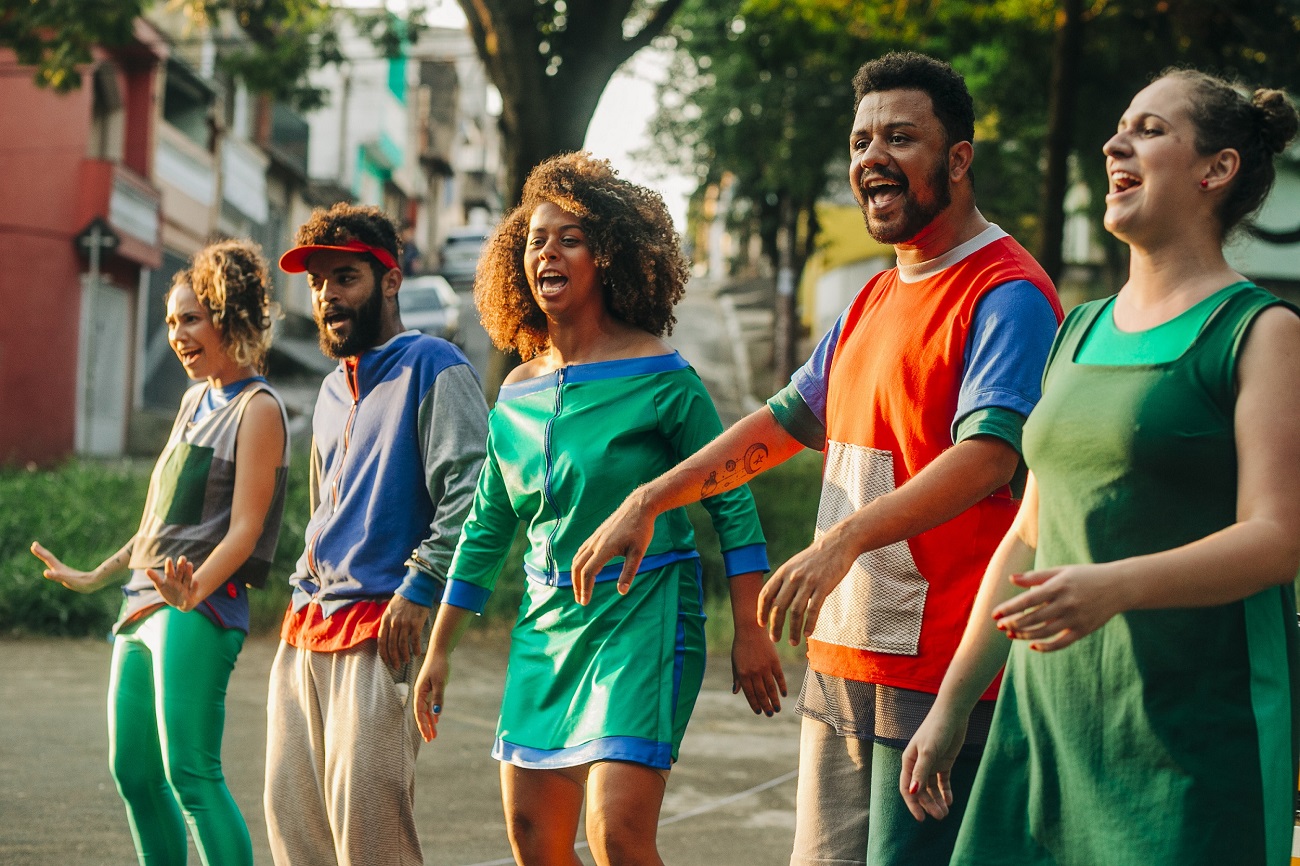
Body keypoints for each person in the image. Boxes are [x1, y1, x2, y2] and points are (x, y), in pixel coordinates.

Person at [573, 52, 1063, 865]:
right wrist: (650, 499)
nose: (872, 157)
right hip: (843, 661)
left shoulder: (1006, 292)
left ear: (959, 159)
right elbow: (780, 425)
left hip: (944, 675)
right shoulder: (874, 296)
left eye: (900, 138)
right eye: (862, 140)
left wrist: (842, 540)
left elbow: (986, 458)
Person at [900, 70, 1300, 866]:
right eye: (1119, 127)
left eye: (1150, 130)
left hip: (1191, 748)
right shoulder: (1076, 329)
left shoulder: (1261, 332)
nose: (1117, 143)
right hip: (1045, 730)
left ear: (1214, 169)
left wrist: (1113, 584)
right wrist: (950, 705)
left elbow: (1279, 538)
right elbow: (1027, 536)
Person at [412, 151, 786, 866]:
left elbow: (732, 504)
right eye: (534, 240)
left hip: (643, 617)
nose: (547, 251)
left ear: (609, 256)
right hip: (544, 626)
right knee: (534, 840)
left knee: (616, 835)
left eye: (569, 238)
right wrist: (439, 652)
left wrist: (749, 626)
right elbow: (486, 530)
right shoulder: (516, 392)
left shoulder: (664, 377)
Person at [31, 239, 290, 866]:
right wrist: (97, 575)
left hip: (197, 607)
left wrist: (194, 589)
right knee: (135, 775)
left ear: (229, 315)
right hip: (144, 603)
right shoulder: (193, 400)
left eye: (191, 318)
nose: (177, 335)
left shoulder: (259, 410)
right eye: (171, 321)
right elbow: (159, 521)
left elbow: (246, 532)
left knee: (191, 778)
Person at [266, 202, 488, 866]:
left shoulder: (434, 365)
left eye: (345, 278)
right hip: (304, 629)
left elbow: (472, 493)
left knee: (371, 844)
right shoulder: (333, 388)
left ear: (390, 281)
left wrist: (421, 586)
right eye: (319, 283)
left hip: (379, 630)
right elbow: (319, 508)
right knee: (294, 837)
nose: (328, 297)